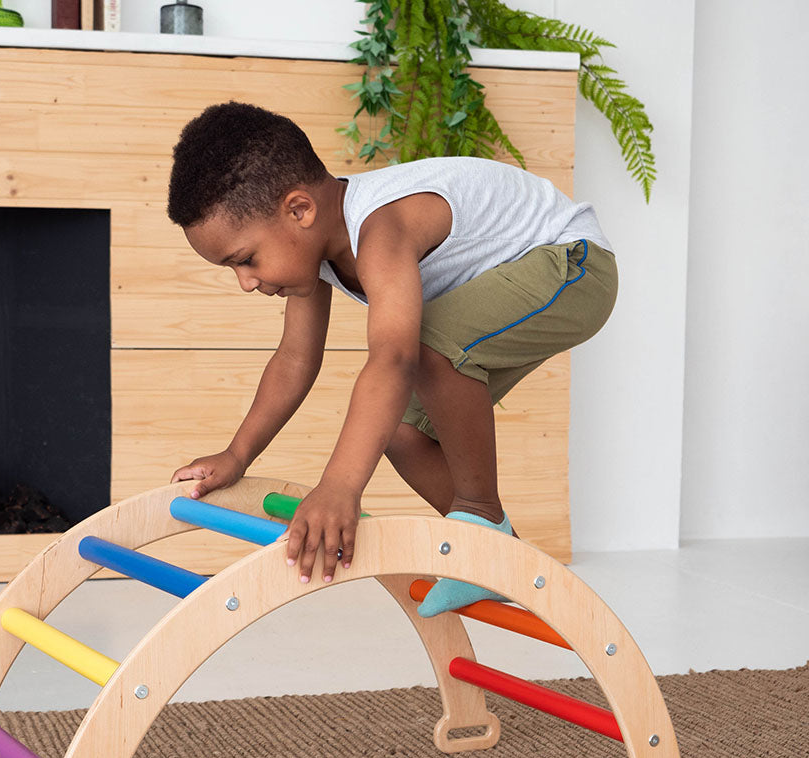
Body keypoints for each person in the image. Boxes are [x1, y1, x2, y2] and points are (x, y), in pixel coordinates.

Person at [166, 101, 617, 616]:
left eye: (245, 260)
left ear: (299, 210)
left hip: (574, 263)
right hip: (516, 284)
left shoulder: (380, 226)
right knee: (400, 431)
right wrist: (237, 454)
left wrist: (339, 485)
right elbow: (294, 359)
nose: (246, 282)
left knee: (421, 347)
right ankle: (496, 555)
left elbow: (394, 358)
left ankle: (478, 516)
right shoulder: (312, 253)